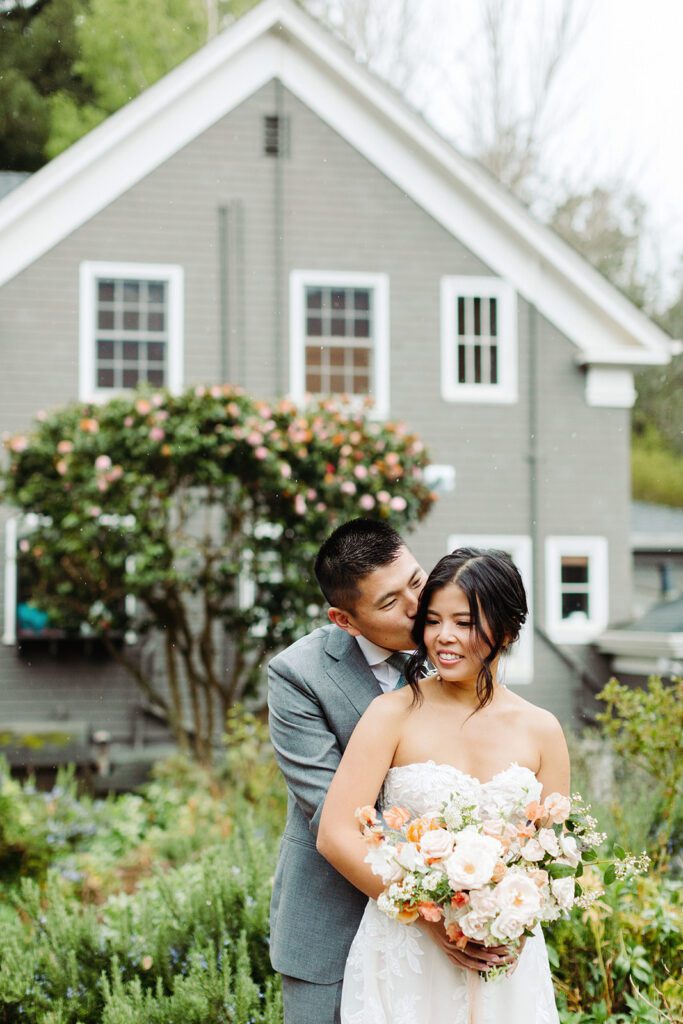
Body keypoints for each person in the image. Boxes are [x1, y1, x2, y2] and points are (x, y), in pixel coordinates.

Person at [268, 523, 511, 1024]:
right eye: (388, 603)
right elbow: (337, 818)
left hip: (453, 919)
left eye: (417, 582)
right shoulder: (298, 675)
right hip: (334, 921)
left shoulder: (453, 651)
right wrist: (432, 908)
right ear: (345, 619)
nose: (416, 607)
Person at [317, 547, 570, 1024]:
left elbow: (551, 857)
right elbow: (335, 834)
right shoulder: (391, 713)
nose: (444, 637)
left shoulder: (543, 730)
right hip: (407, 948)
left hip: (502, 955)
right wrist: (430, 914)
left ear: (509, 630)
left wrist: (509, 922)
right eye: (433, 621)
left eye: (465, 622)